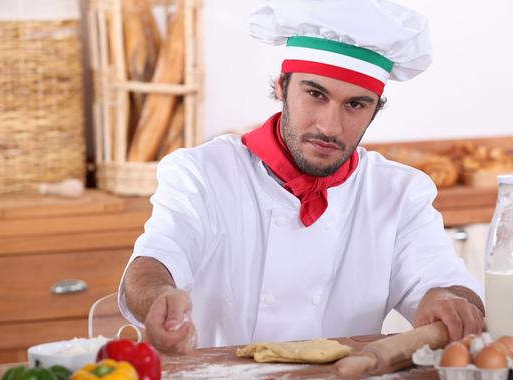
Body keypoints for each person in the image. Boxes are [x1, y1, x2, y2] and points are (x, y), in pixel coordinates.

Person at [119, 0, 486, 355]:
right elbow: (154, 261)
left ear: (376, 109)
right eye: (315, 94)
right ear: (282, 86)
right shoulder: (202, 173)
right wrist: (159, 296)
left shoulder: (399, 193)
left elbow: (446, 283)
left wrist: (447, 300)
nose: (330, 126)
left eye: (355, 104)